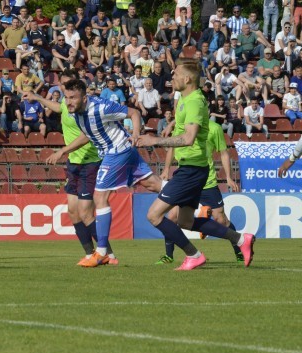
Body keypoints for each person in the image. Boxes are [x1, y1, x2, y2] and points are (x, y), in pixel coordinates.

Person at [137, 58, 255, 270]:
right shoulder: (184, 97)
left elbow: (189, 137)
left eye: (175, 74)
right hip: (190, 168)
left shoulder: (193, 101)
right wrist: (173, 124)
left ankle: (194, 254)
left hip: (192, 170)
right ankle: (239, 239)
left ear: (187, 78)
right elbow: (185, 125)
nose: (171, 77)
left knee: (154, 215)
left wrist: (155, 140)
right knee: (185, 222)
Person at [43, 79, 164, 267]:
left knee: (99, 196)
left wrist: (136, 134)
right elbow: (87, 135)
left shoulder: (102, 107)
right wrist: (63, 151)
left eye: (73, 98)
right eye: (67, 98)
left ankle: (102, 253)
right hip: (122, 150)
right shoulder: (77, 114)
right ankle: (194, 201)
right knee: (153, 184)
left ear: (85, 97)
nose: (69, 102)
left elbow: (134, 112)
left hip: (116, 150)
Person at [24, 70, 112, 265]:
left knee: (85, 212)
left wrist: (61, 151)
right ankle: (90, 254)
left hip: (90, 160)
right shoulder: (66, 103)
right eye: (63, 85)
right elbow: (57, 107)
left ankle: (108, 254)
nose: (64, 89)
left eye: (68, 85)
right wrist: (37, 97)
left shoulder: (84, 108)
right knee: (73, 211)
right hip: (74, 162)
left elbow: (87, 135)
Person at [157, 117, 243, 264]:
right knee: (172, 217)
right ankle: (169, 256)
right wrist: (166, 169)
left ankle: (240, 250)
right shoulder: (181, 125)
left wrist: (228, 177)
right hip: (186, 181)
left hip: (207, 181)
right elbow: (172, 147)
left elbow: (223, 153)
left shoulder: (214, 128)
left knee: (221, 219)